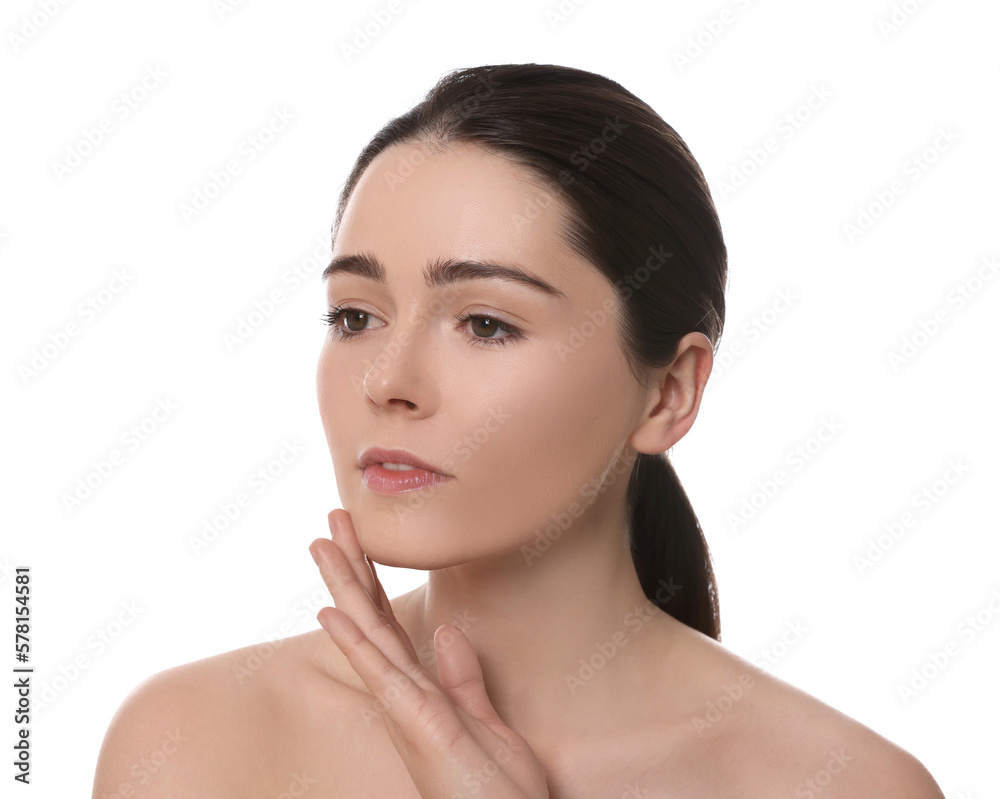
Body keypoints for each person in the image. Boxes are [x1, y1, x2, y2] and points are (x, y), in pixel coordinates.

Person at [92, 63, 945, 798]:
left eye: (487, 324)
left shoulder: (838, 783)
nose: (388, 380)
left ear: (668, 394)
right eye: (355, 315)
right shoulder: (193, 744)